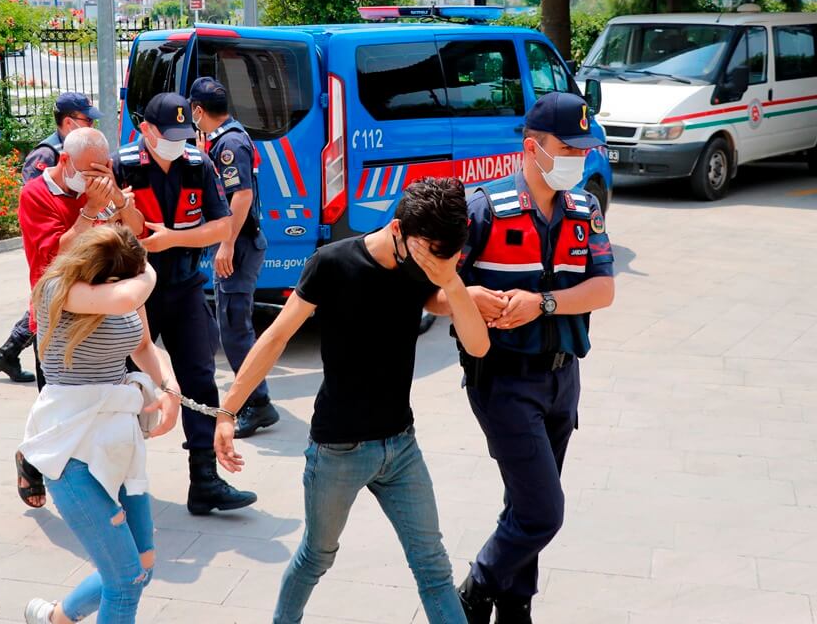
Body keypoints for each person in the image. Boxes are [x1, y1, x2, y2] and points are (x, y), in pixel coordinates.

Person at [214, 177, 491, 624]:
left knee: (434, 568)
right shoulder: (333, 263)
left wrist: (453, 283)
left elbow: (478, 347)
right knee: (316, 556)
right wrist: (228, 410)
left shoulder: (426, 267)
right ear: (400, 230)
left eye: (448, 256)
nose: (438, 265)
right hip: (337, 451)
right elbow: (277, 335)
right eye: (434, 254)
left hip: (401, 447)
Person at [445, 92, 616, 624]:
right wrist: (464, 298)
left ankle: (515, 604)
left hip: (564, 379)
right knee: (544, 511)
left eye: (583, 150)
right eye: (567, 148)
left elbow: (603, 289)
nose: (578, 159)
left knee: (525, 503)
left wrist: (542, 304)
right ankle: (475, 589)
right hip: (503, 381)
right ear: (532, 148)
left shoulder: (585, 211)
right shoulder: (482, 211)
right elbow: (430, 288)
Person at [20, 225, 180, 624]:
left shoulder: (127, 285)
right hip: (70, 447)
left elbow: (143, 345)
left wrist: (168, 386)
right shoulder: (58, 287)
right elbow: (127, 295)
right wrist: (148, 269)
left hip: (117, 441)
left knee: (141, 567)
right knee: (125, 581)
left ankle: (57, 617)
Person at [112, 92, 257, 516]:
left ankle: (205, 480)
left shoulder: (198, 163)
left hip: (185, 286)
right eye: (168, 136)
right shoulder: (122, 165)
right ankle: (109, 477)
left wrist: (172, 237)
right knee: (119, 384)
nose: (178, 143)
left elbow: (222, 225)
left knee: (200, 379)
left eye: (184, 134)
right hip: (133, 291)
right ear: (146, 130)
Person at [14, 127, 144, 509]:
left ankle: (99, 481)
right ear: (65, 161)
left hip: (103, 314)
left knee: (103, 406)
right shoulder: (36, 194)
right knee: (57, 412)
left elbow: (134, 234)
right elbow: (51, 258)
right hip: (58, 318)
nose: (97, 179)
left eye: (103, 170)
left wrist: (119, 202)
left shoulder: (104, 182)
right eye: (89, 171)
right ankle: (32, 461)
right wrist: (88, 212)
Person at [0, 92, 103, 383]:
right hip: (54, 280)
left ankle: (8, 352)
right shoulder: (45, 156)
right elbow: (42, 219)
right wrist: (89, 211)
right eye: (87, 120)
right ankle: (9, 351)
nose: (92, 126)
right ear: (68, 122)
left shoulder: (85, 159)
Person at [189, 76, 280, 439]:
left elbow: (239, 197)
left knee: (236, 332)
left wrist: (225, 243)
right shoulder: (225, 138)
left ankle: (258, 405)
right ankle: (256, 401)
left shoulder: (229, 143)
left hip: (238, 248)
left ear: (198, 110)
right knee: (233, 328)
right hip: (236, 244)